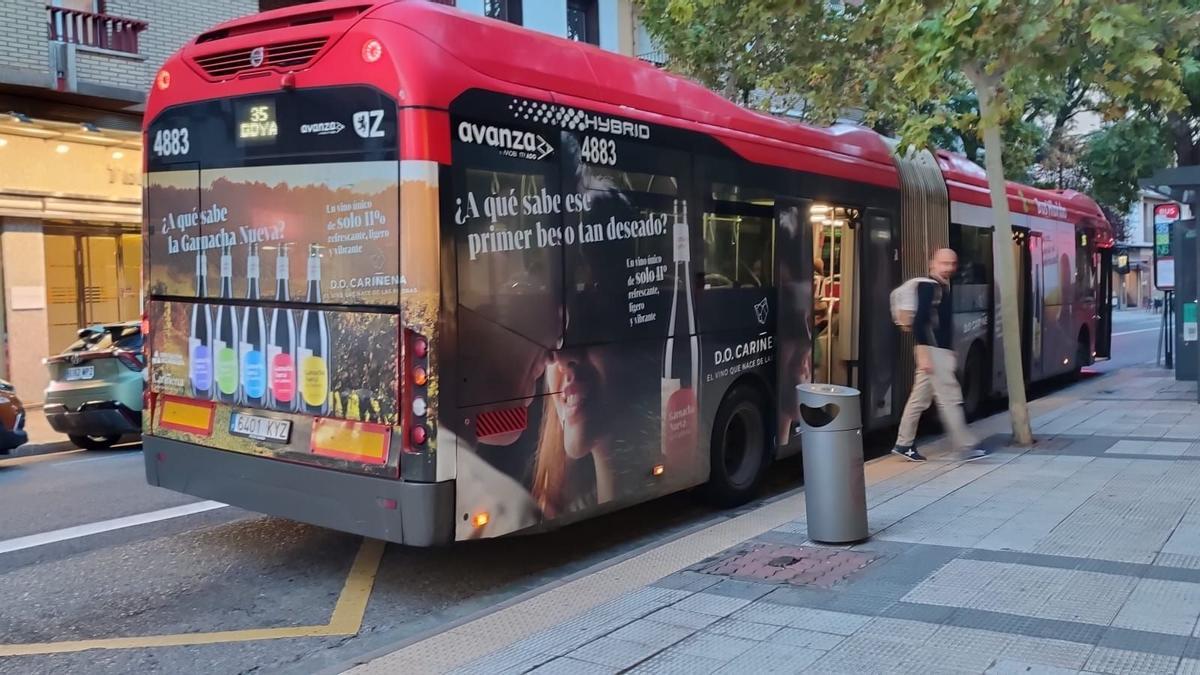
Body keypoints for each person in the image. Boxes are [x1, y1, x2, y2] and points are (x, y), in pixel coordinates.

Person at [892, 248, 988, 462]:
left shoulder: (940, 287)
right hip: (933, 352)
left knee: (919, 399)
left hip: (938, 351)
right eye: (944, 263)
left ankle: (903, 443)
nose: (949, 268)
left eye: (952, 263)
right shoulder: (929, 287)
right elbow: (919, 322)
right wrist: (925, 352)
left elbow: (939, 324)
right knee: (951, 399)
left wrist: (948, 349)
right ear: (932, 264)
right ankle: (966, 445)